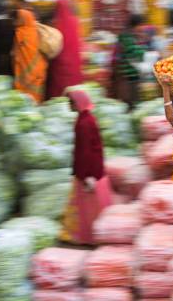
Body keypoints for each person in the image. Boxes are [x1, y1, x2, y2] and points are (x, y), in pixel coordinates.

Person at [60, 90, 113, 245]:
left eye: (71, 103)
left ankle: (89, 236)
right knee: (92, 206)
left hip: (89, 171)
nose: (69, 105)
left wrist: (85, 175)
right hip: (93, 169)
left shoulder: (83, 123)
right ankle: (94, 235)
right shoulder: (86, 119)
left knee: (88, 208)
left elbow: (85, 151)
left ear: (78, 104)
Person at [45, 0, 84, 99]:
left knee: (59, 93)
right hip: (74, 64)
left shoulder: (55, 26)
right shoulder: (75, 22)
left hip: (60, 66)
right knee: (73, 92)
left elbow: (52, 48)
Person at [11, 7, 48, 103]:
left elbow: (14, 54)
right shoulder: (37, 30)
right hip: (38, 70)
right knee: (36, 97)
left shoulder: (20, 33)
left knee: (24, 99)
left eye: (16, 19)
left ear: (23, 19)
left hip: (24, 72)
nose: (14, 22)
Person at [112, 15, 146, 107]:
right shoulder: (126, 37)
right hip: (128, 75)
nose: (143, 28)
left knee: (133, 100)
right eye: (142, 25)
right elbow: (134, 52)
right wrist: (143, 51)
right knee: (130, 100)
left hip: (132, 74)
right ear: (136, 25)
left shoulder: (131, 36)